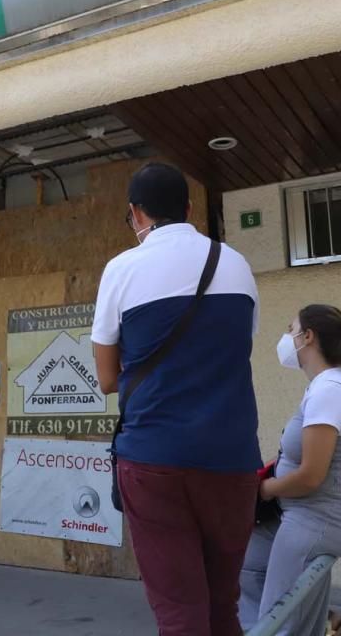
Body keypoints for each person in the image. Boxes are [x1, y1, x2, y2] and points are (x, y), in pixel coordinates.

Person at [92, 162, 261, 636]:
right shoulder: (235, 263)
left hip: (154, 461)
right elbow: (237, 349)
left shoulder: (123, 269)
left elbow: (106, 379)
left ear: (135, 213)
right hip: (232, 460)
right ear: (188, 209)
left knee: (179, 612)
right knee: (222, 607)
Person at [239, 306, 341, 636]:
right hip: (303, 514)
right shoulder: (326, 387)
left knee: (280, 622)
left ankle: (311, 625)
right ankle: (323, 622)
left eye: (291, 329)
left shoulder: (329, 392)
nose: (286, 338)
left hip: (318, 521)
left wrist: (265, 490)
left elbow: (311, 476)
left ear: (308, 337)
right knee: (247, 566)